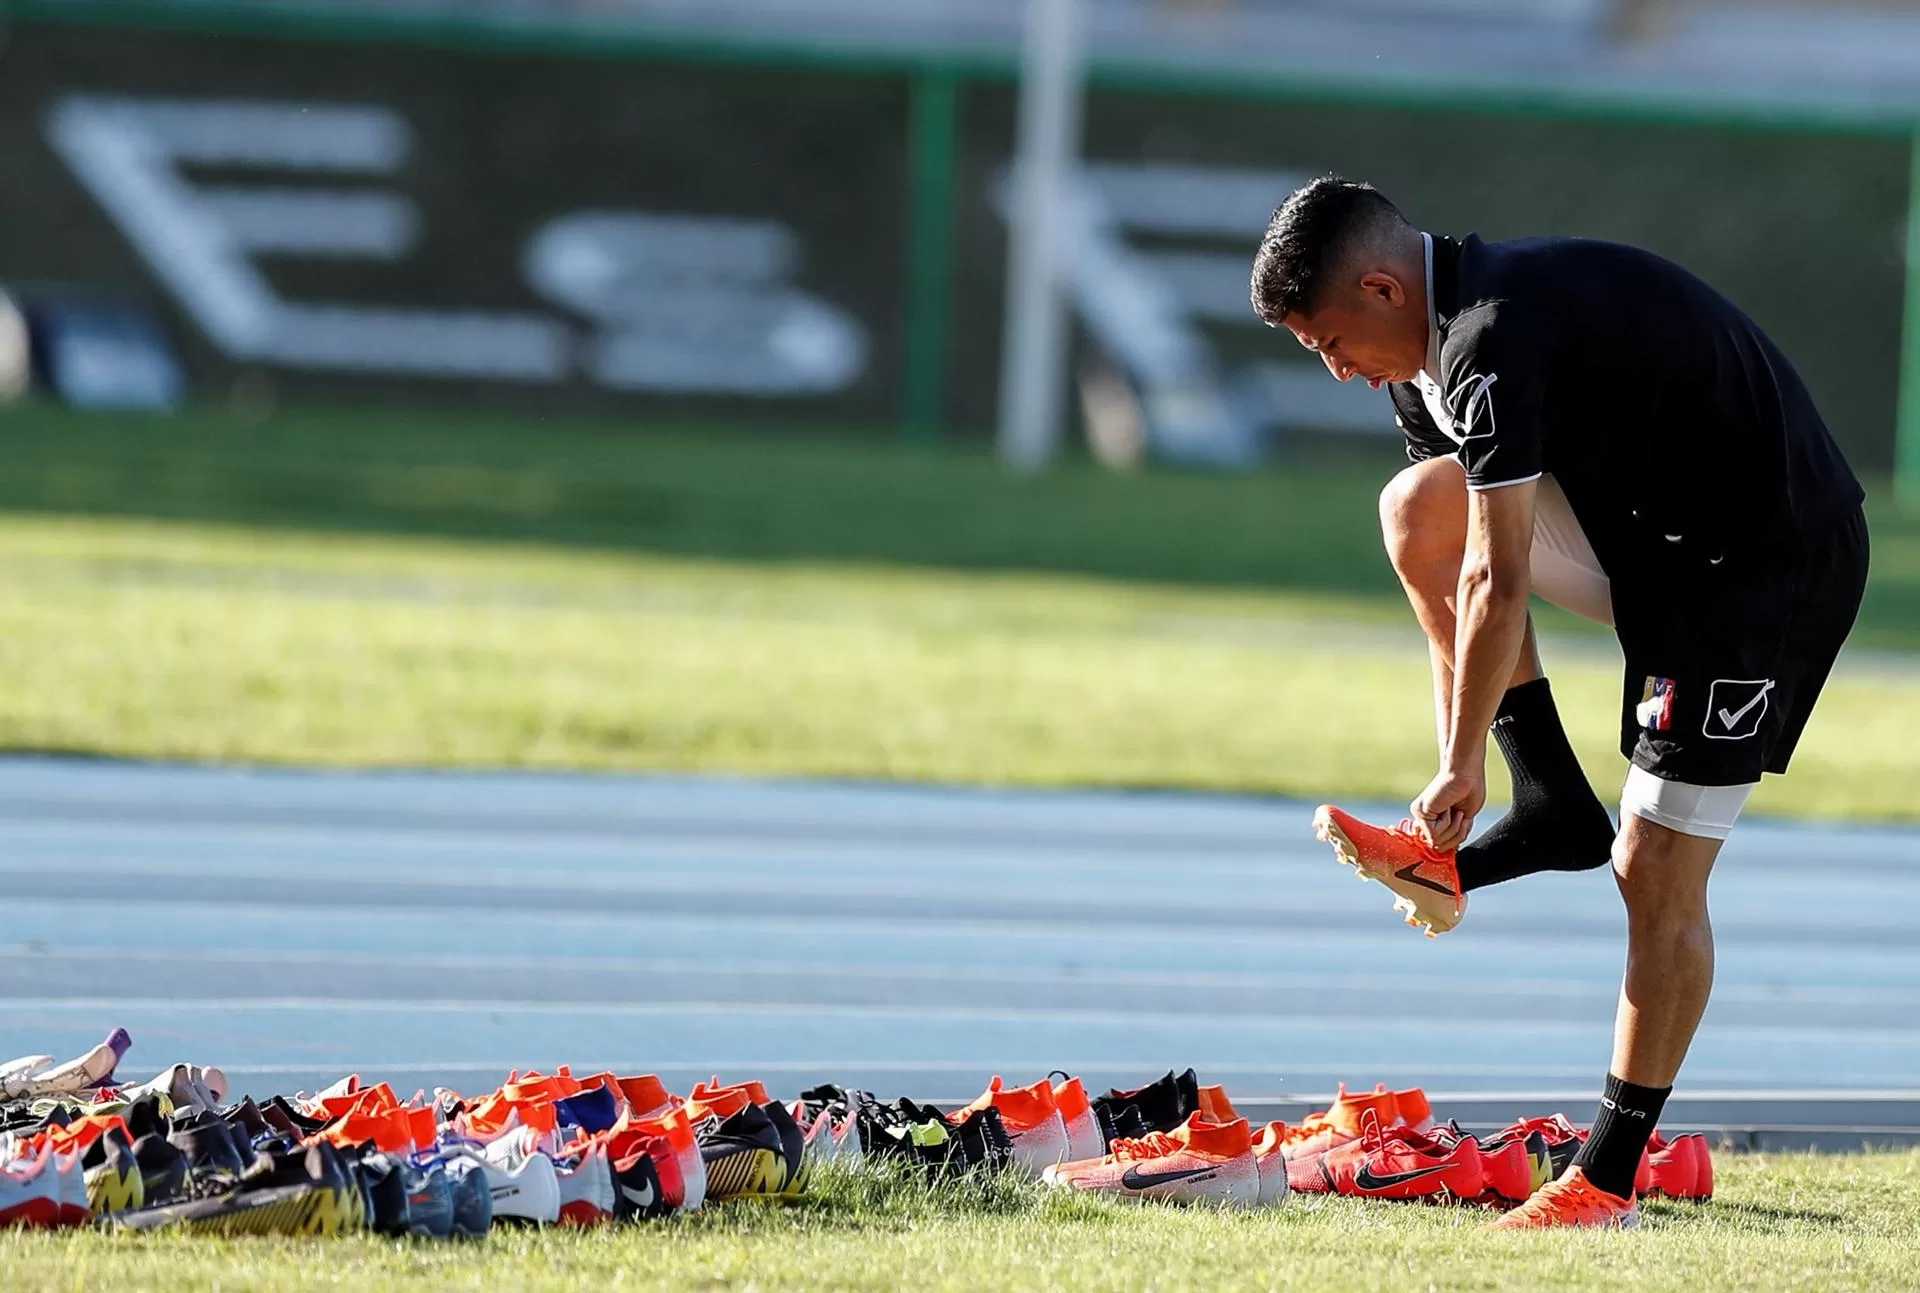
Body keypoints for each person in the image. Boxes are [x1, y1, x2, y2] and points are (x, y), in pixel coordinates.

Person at [1249, 178, 1869, 1228]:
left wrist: (1452, 767)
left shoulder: (1496, 333)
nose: (1339, 369)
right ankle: (1548, 802)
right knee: (1418, 509)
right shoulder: (1425, 365)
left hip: (1763, 566)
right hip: (1651, 547)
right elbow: (1469, 551)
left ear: (1386, 286)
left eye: (1328, 341)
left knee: (1655, 869)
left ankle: (1608, 1180)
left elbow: (1499, 576)